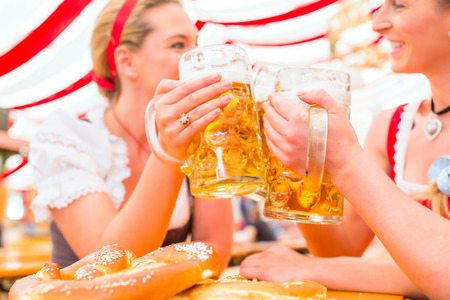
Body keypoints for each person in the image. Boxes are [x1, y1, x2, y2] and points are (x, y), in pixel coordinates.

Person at [239, 0, 450, 299]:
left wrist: (310, 269)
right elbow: (340, 248)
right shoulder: (391, 126)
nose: (377, 24)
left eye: (399, 5)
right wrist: (301, 166)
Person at [28, 0, 234, 273]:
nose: (194, 58)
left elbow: (216, 247)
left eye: (195, 44)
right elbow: (107, 264)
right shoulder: (67, 138)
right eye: (178, 45)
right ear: (127, 62)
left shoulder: (199, 134)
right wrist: (168, 151)